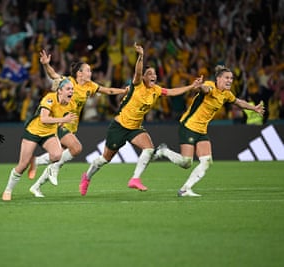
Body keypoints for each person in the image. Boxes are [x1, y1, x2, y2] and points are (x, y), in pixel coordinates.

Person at [78, 43, 203, 196]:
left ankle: (135, 179)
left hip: (135, 128)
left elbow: (171, 91)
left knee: (149, 149)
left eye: (155, 74)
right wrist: (141, 56)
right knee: (105, 159)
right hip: (119, 126)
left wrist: (191, 86)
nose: (154, 76)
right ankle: (87, 177)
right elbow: (137, 71)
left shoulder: (156, 90)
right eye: (150, 74)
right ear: (143, 76)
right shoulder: (137, 85)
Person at [27, 49, 128, 194]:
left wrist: (123, 91)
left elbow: (107, 91)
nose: (90, 73)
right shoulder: (69, 82)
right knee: (76, 148)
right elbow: (53, 75)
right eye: (87, 70)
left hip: (72, 125)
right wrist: (46, 65)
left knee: (59, 156)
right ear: (79, 73)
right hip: (60, 123)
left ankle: (36, 184)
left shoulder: (90, 86)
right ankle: (49, 167)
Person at [154, 65, 264, 197]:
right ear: (218, 79)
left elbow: (238, 102)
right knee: (186, 162)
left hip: (201, 130)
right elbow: (206, 89)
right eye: (226, 78)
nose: (229, 80)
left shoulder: (226, 94)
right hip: (189, 126)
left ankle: (185, 189)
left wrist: (254, 108)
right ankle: (163, 151)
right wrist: (200, 86)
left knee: (206, 161)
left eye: (231, 78)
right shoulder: (211, 86)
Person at [2, 78, 77, 201]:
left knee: (57, 155)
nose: (71, 92)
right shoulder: (50, 98)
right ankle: (8, 190)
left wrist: (62, 123)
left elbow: (61, 118)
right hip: (33, 132)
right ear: (60, 91)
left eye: (72, 89)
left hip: (49, 133)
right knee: (22, 165)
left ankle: (36, 161)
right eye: (68, 89)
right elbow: (43, 118)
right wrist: (62, 120)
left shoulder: (71, 104)